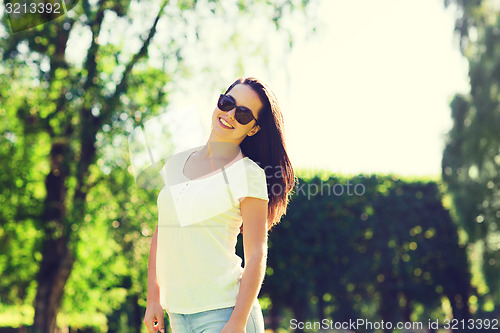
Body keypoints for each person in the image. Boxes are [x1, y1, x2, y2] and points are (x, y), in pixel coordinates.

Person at [143, 77, 295, 333]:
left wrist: (237, 322)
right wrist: (153, 298)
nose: (231, 114)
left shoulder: (248, 173)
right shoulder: (176, 163)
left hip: (225, 313)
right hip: (178, 313)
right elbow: (162, 233)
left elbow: (257, 255)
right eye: (228, 103)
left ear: (254, 129)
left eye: (244, 114)